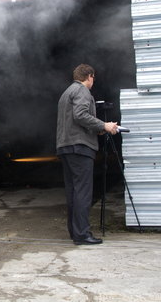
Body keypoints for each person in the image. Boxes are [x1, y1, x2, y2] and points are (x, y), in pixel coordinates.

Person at [56, 64, 118, 246]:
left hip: (66, 146)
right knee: (83, 192)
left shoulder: (66, 93)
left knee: (73, 192)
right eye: (93, 78)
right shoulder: (82, 91)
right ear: (89, 76)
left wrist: (96, 130)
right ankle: (82, 234)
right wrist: (104, 125)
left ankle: (75, 232)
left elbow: (74, 120)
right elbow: (81, 115)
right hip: (80, 148)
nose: (93, 81)